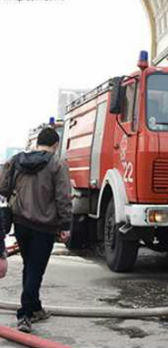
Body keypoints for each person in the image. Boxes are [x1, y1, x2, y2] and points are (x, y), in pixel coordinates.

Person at [0, 128, 71, 333]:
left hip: (20, 222)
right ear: (55, 145)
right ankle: (25, 315)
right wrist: (66, 225)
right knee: (35, 269)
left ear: (37, 142)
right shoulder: (57, 164)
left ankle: (36, 307)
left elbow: (3, 188)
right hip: (44, 225)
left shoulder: (16, 160)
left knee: (30, 266)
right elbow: (63, 197)